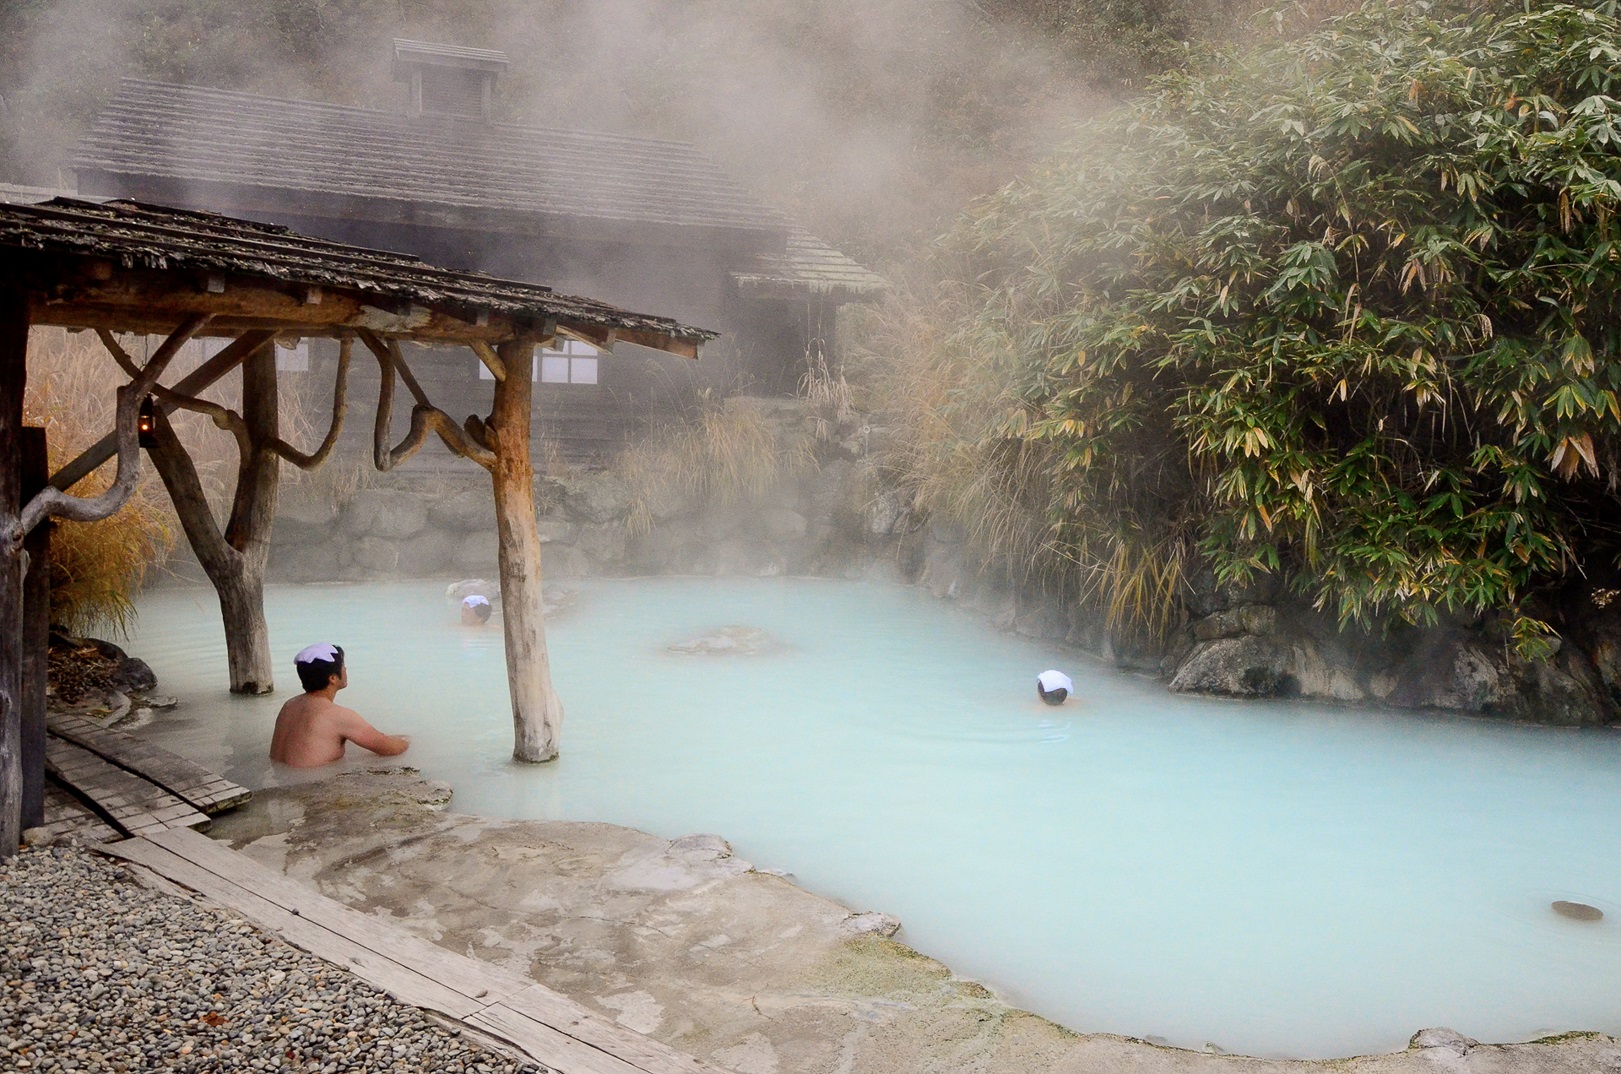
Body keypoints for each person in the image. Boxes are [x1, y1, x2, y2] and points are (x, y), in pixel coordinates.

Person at [269, 643, 410, 767]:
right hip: (311, 790)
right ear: (333, 678)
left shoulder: (289, 705)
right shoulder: (338, 715)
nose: (346, 669)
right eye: (343, 666)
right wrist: (408, 741)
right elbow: (389, 749)